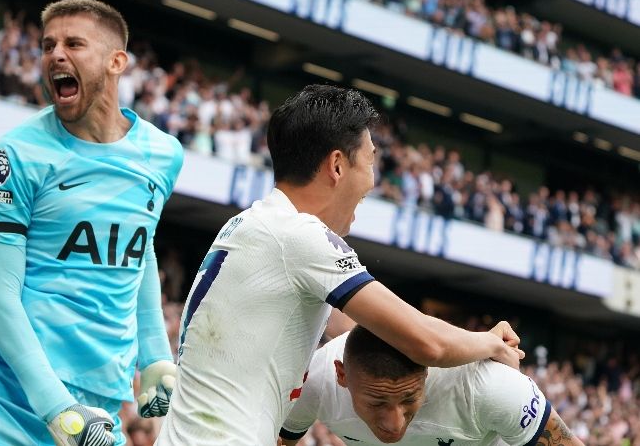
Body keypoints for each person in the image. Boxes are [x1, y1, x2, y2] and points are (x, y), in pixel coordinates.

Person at [0, 0, 183, 446]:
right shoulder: (14, 157)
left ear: (116, 61)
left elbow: (139, 248)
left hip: (94, 407)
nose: (55, 55)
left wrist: (155, 354)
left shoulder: (164, 155)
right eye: (48, 46)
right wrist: (55, 407)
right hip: (2, 388)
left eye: (74, 43)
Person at [155, 84, 523, 446]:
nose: (372, 180)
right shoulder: (300, 235)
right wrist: (489, 343)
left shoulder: (251, 225)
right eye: (370, 159)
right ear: (337, 165)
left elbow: (363, 326)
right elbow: (424, 342)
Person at [280, 325, 585, 446]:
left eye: (408, 398)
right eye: (377, 403)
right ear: (341, 375)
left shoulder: (489, 387)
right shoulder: (314, 381)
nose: (394, 424)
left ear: (427, 370)